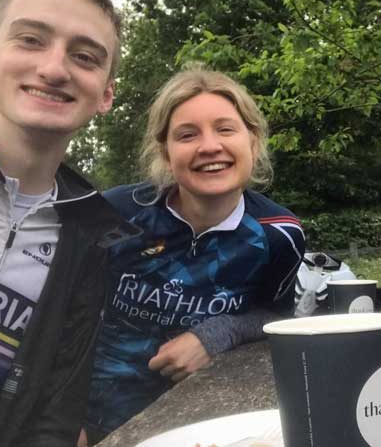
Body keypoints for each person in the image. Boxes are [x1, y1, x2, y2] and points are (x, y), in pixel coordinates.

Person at [84, 68, 305, 442]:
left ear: (252, 141)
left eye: (225, 129)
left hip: (210, 420)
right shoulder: (115, 213)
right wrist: (60, 420)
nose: (209, 146)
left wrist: (217, 333)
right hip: (95, 419)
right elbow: (60, 317)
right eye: (187, 135)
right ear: (166, 152)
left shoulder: (280, 234)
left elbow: (277, 319)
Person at [0, 0, 133, 446]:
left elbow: (56, 413)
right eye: (30, 39)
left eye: (84, 56)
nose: (54, 68)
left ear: (105, 93)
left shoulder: (91, 235)